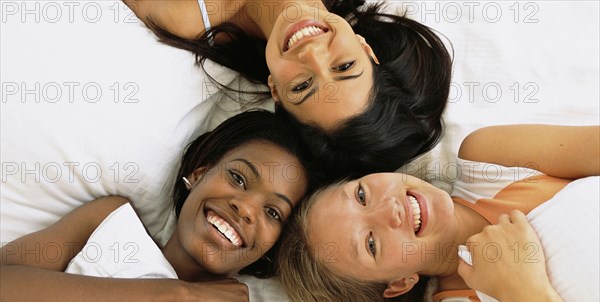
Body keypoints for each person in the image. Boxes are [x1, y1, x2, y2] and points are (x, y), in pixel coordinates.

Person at [0, 110, 317, 302]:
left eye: (273, 212)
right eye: (238, 178)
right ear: (198, 173)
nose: (245, 208)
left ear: (273, 247)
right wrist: (184, 296)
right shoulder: (111, 224)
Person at [276, 124, 600, 302]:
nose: (390, 209)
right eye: (371, 243)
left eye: (361, 195)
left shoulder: (488, 159)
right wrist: (524, 290)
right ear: (399, 282)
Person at [122, 0, 453, 177]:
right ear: (365, 48)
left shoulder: (186, 15)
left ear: (275, 90)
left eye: (303, 85)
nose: (311, 53)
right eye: (344, 66)